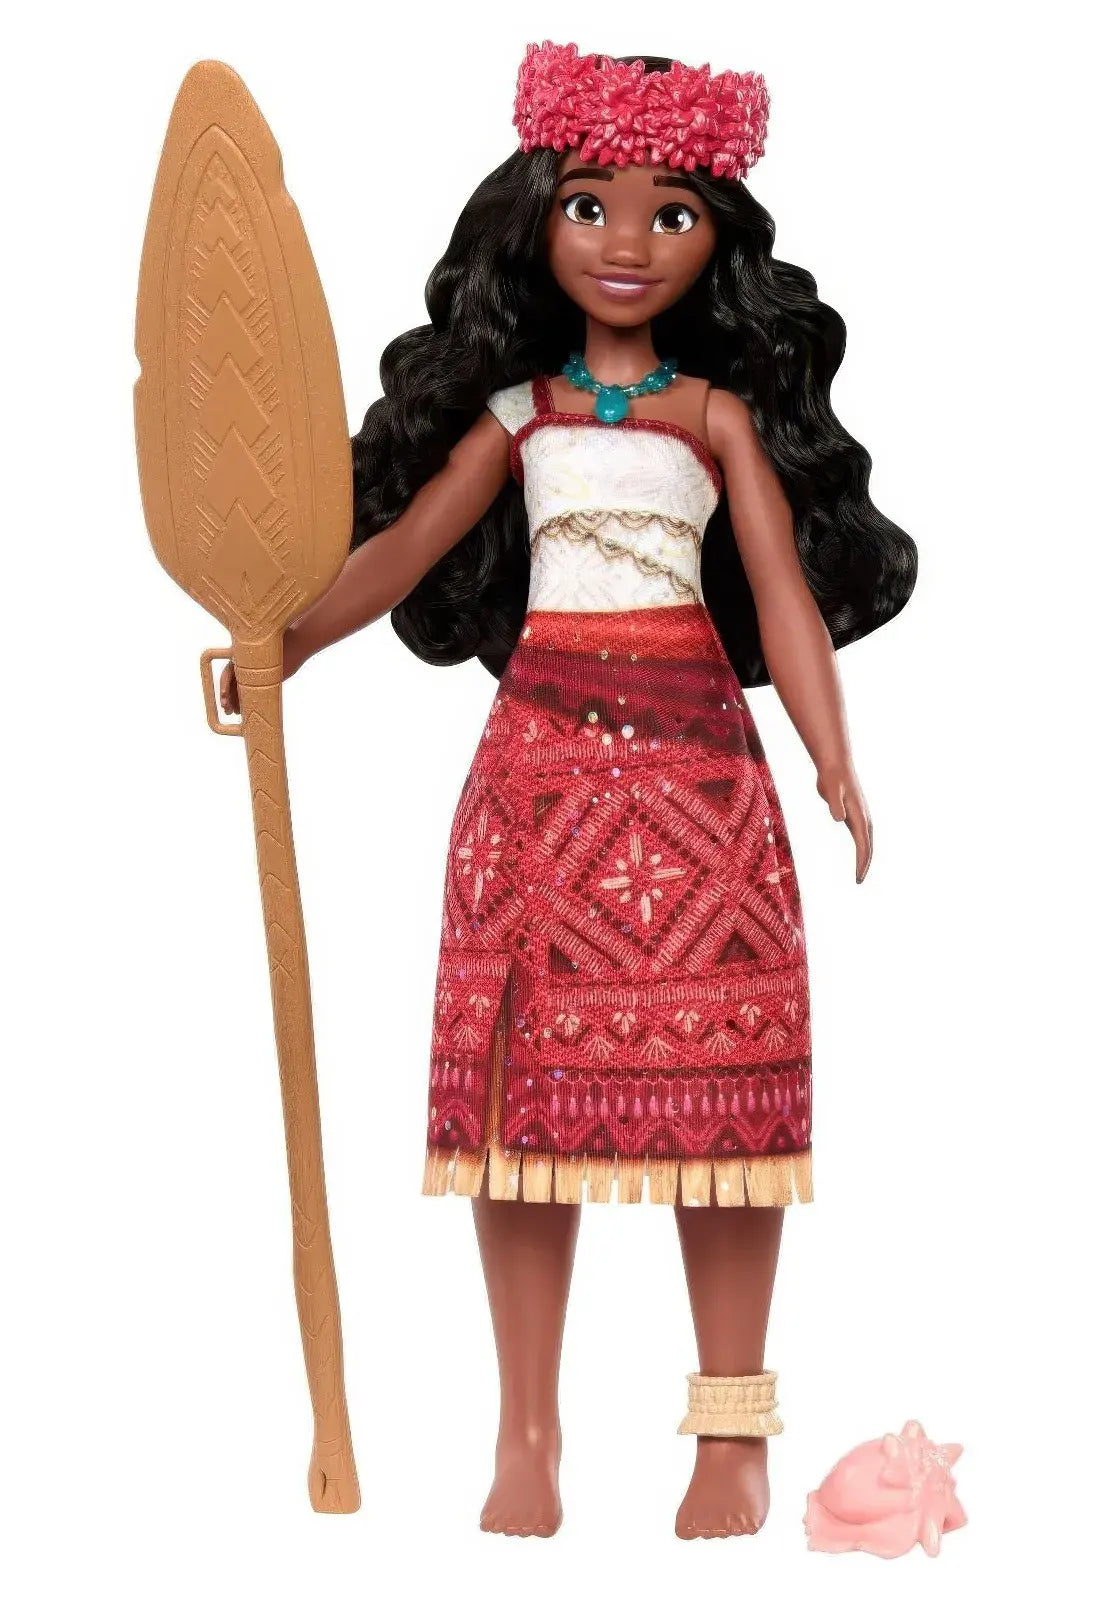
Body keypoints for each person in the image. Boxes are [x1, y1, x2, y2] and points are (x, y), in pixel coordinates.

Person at [221, 41, 915, 1540]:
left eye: (671, 214)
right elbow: (406, 548)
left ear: (717, 242)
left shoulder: (715, 417)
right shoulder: (519, 416)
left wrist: (831, 753)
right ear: (536, 220)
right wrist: (284, 644)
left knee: (726, 1095)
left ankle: (730, 1432)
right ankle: (525, 1430)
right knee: (516, 1099)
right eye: (591, 205)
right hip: (536, 787)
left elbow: (781, 596)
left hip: (700, 784)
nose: (626, 243)